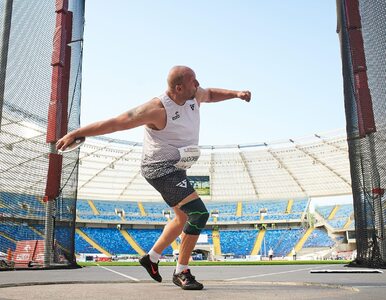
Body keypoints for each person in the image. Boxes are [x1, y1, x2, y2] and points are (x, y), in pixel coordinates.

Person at [56, 65, 251, 290]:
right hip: (159, 168)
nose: (198, 85)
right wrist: (77, 133)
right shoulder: (156, 109)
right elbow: (117, 122)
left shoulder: (194, 94)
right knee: (198, 214)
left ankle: (151, 258)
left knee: (181, 218)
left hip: (177, 166)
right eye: (193, 81)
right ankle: (182, 272)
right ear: (179, 87)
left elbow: (211, 94)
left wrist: (236, 94)